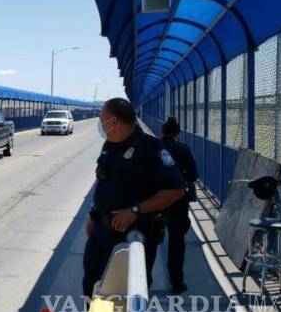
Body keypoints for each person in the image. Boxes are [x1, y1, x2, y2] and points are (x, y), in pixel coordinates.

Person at [83, 98, 186, 298]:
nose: (99, 122)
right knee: (92, 286)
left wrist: (135, 210)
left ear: (113, 121)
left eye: (101, 118)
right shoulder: (110, 144)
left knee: (125, 295)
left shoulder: (151, 149)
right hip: (100, 233)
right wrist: (94, 216)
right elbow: (106, 184)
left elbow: (176, 190)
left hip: (132, 238)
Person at [160, 117, 199, 294]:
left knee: (151, 241)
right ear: (178, 133)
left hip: (156, 200)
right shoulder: (183, 149)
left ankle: (144, 281)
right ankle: (177, 283)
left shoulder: (154, 147)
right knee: (176, 242)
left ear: (162, 131)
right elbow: (194, 174)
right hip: (178, 200)